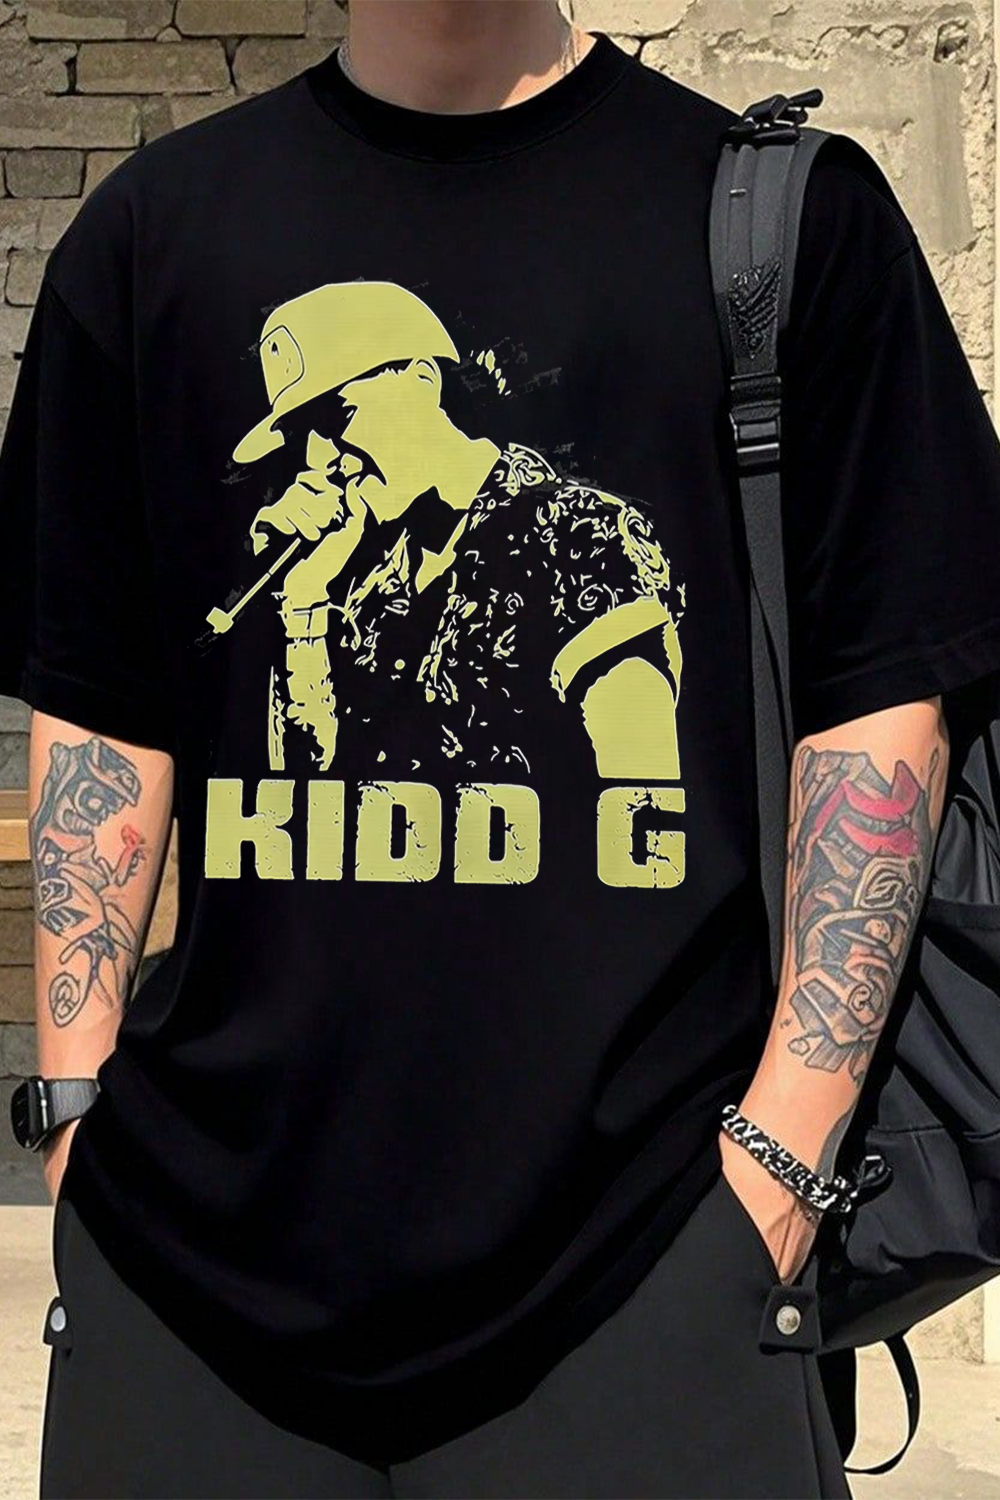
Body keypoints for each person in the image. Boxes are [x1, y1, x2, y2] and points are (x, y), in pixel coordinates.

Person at [3, 2, 1000, 1495]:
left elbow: (862, 711)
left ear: (416, 381)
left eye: (331, 420)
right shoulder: (153, 236)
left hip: (641, 1256)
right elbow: (107, 710)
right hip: (195, 1270)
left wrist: (780, 1167)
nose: (319, 457)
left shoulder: (622, 450)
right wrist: (78, 1119)